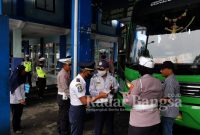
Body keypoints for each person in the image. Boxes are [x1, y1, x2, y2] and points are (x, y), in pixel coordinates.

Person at [123, 56, 163, 135]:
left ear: (141, 68)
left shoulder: (136, 83)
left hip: (139, 123)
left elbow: (129, 102)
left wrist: (125, 96)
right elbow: (159, 98)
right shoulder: (158, 82)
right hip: (155, 121)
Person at [69, 62, 108, 135]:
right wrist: (100, 96)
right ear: (85, 71)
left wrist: (90, 98)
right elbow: (84, 101)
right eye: (90, 72)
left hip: (79, 109)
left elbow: (83, 97)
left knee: (79, 130)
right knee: (76, 132)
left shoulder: (81, 81)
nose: (91, 74)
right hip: (77, 110)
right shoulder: (78, 83)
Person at [89, 60, 119, 135]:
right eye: (98, 69)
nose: (100, 71)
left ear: (107, 69)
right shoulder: (94, 78)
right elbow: (91, 91)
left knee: (110, 125)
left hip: (109, 104)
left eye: (102, 69)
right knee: (98, 126)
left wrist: (113, 90)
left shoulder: (112, 78)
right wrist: (100, 93)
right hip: (99, 105)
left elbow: (116, 88)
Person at [160, 61, 180, 135]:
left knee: (167, 132)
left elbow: (169, 99)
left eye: (162, 69)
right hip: (171, 111)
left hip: (168, 112)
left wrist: (155, 101)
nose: (160, 71)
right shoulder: (173, 79)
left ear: (169, 69)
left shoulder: (170, 81)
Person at [10, 65, 27, 134]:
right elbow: (17, 91)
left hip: (20, 100)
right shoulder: (16, 78)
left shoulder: (21, 77)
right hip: (15, 101)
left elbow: (23, 87)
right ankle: (16, 129)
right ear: (20, 71)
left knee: (19, 115)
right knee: (16, 115)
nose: (24, 71)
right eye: (23, 70)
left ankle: (18, 126)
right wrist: (21, 100)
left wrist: (25, 96)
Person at [57, 57, 72, 135]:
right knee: (64, 116)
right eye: (69, 65)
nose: (70, 66)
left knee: (61, 115)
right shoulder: (63, 74)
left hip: (63, 96)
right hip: (63, 97)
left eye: (70, 65)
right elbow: (65, 88)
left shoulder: (66, 72)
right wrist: (72, 97)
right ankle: (64, 132)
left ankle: (60, 129)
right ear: (64, 65)